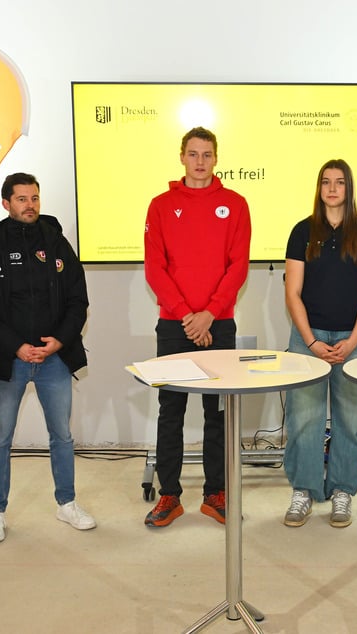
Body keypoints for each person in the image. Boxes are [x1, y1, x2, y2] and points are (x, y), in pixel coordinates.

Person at [0, 172, 95, 544]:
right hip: (10, 361)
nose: (30, 205)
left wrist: (59, 341)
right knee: (0, 438)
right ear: (6, 203)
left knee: (62, 435)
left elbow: (78, 301)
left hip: (54, 358)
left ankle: (67, 503)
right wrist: (16, 347)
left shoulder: (57, 243)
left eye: (35, 198)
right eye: (22, 199)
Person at [143, 127, 252, 527]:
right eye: (193, 154)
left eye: (207, 154)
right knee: (170, 411)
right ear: (182, 157)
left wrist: (209, 314)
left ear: (216, 158)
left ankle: (216, 494)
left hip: (218, 326)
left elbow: (237, 266)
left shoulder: (235, 204)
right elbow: (155, 268)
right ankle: (169, 495)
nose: (200, 161)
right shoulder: (160, 205)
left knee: (218, 413)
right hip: (174, 326)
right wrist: (189, 315)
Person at [282, 158, 357, 528]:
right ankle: (304, 491)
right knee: (304, 420)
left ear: (349, 188)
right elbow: (292, 293)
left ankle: (342, 492)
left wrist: (354, 340)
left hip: (352, 341)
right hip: (309, 340)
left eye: (339, 182)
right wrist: (310, 341)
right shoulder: (302, 231)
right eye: (326, 182)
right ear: (319, 188)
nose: (332, 188)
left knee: (349, 421)